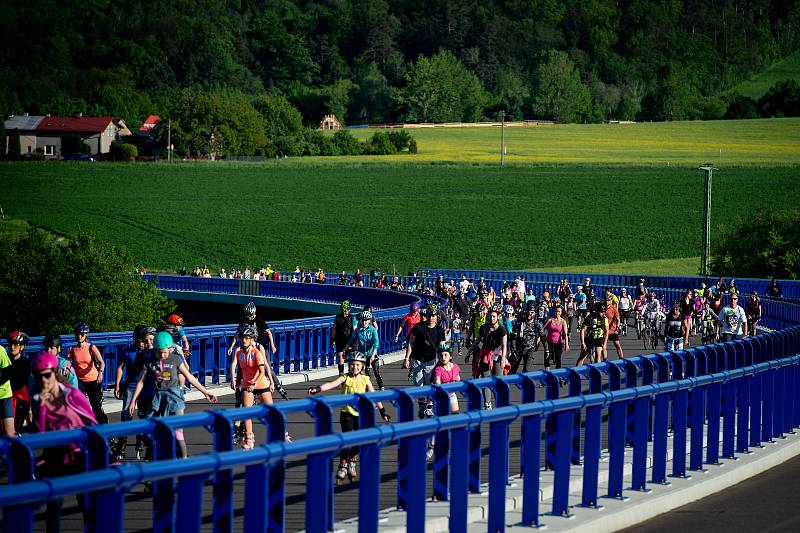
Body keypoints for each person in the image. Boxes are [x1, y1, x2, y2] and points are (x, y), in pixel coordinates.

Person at [29, 352, 97, 532]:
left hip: (78, 453)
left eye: (47, 375)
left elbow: (92, 422)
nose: (44, 380)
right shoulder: (37, 400)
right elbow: (40, 434)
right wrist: (42, 408)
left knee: (85, 500)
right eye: (38, 376)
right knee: (54, 503)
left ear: (55, 373)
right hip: (55, 456)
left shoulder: (72, 394)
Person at [129, 332, 218, 458]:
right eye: (159, 352)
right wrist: (133, 401)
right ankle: (158, 456)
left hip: (175, 397)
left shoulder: (175, 359)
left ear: (170, 349)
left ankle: (184, 460)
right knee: (149, 428)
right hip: (158, 398)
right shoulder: (149, 361)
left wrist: (205, 392)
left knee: (178, 431)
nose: (162, 355)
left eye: (165, 352)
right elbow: (141, 382)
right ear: (154, 350)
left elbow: (189, 377)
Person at [308, 351, 390, 481]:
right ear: (348, 365)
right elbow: (331, 384)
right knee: (347, 439)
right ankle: (343, 464)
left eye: (357, 365)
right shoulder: (345, 378)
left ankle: (352, 461)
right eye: (352, 365)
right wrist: (317, 389)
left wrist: (382, 411)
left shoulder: (365, 379)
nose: (354, 367)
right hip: (346, 413)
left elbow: (375, 396)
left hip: (360, 415)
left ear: (362, 366)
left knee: (359, 440)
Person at [230, 325, 282, 449]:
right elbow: (241, 371)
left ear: (252, 339)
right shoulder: (239, 353)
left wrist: (269, 382)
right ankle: (249, 440)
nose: (244, 340)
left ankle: (282, 434)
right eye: (243, 338)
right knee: (246, 413)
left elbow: (263, 371)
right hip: (247, 385)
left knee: (271, 412)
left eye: (247, 338)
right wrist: (237, 383)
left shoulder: (257, 353)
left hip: (260, 384)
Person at [113, 326, 155, 460]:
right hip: (130, 387)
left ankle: (142, 440)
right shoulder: (127, 350)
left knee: (145, 417)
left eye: (142, 340)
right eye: (138, 340)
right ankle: (122, 445)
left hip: (144, 388)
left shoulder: (150, 352)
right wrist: (117, 385)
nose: (141, 342)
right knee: (126, 415)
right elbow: (120, 367)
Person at [403, 302, 446, 418]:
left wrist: (444, 362)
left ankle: (429, 407)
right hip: (417, 359)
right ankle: (422, 406)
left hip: (431, 361)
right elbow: (411, 343)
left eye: (433, 315)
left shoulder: (439, 330)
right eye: (429, 315)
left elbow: (442, 348)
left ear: (437, 316)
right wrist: (407, 358)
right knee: (419, 385)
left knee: (429, 385)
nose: (431, 318)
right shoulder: (418, 327)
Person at [465, 304, 507, 409]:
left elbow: (504, 345)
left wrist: (503, 358)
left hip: (497, 356)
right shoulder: (484, 328)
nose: (492, 318)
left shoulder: (502, 330)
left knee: (498, 381)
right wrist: (468, 353)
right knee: (486, 380)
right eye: (490, 316)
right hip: (485, 356)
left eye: (494, 316)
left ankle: (499, 403)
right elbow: (477, 341)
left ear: (498, 317)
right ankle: (487, 404)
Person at [66, 323, 108, 424]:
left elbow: (102, 362)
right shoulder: (72, 349)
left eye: (82, 334)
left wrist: (100, 373)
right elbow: (68, 363)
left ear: (86, 335)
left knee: (96, 408)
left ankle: (106, 430)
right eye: (78, 334)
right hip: (80, 382)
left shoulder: (91, 347)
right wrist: (66, 370)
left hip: (94, 381)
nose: (79, 336)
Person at [346, 310, 382, 390]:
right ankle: (365, 387)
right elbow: (352, 339)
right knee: (364, 372)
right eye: (363, 320)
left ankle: (381, 385)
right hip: (363, 354)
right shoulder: (358, 330)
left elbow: (376, 343)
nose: (365, 322)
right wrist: (346, 346)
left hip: (372, 353)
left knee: (376, 371)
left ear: (370, 321)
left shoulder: (373, 330)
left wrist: (373, 355)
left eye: (366, 320)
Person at [8, 331, 31, 433]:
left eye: (16, 344)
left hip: (20, 397)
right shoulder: (5, 359)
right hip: (6, 396)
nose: (12, 347)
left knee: (17, 429)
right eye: (11, 343)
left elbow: (24, 383)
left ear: (22, 347)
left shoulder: (25, 363)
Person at [331, 300, 357, 376]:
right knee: (340, 356)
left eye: (346, 311)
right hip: (340, 339)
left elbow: (355, 330)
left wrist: (353, 342)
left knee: (352, 358)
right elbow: (334, 329)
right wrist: (333, 339)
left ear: (349, 310)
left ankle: (351, 372)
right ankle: (341, 374)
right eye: (343, 310)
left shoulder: (353, 318)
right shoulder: (337, 317)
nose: (344, 312)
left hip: (350, 340)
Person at [578, 301, 608, 366]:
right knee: (583, 356)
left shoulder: (605, 319)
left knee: (598, 353)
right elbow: (583, 330)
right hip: (589, 338)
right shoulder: (590, 317)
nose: (603, 313)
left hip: (599, 338)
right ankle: (576, 371)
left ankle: (597, 370)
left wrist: (605, 344)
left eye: (604, 311)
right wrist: (582, 343)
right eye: (601, 311)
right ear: (597, 311)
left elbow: (606, 331)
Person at [543, 306, 569, 370]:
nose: (557, 313)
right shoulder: (550, 320)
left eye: (558, 311)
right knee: (547, 357)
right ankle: (547, 372)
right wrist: (538, 340)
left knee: (558, 358)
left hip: (558, 342)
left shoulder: (563, 321)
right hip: (549, 342)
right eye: (556, 311)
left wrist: (567, 345)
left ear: (561, 313)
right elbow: (542, 329)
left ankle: (558, 374)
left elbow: (565, 334)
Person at [604, 295, 624, 360]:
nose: (607, 302)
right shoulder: (602, 308)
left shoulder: (614, 309)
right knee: (603, 347)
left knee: (617, 345)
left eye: (608, 301)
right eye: (606, 301)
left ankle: (622, 359)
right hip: (604, 331)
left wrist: (617, 328)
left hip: (612, 330)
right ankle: (605, 361)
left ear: (611, 301)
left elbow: (618, 319)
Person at [0, 343, 14, 437]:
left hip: (4, 395)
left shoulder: (0, 350)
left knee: (9, 432)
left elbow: (7, 373)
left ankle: (16, 451)